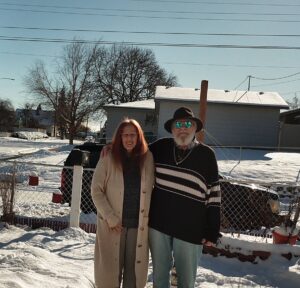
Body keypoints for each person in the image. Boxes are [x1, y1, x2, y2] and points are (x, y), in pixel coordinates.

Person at [148, 106, 221, 288]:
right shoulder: (160, 148)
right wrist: (111, 148)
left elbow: (214, 195)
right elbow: (133, 151)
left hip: (191, 228)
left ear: (195, 127)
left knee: (186, 281)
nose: (183, 128)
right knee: (159, 276)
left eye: (188, 123)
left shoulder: (207, 155)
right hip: (159, 224)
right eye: (178, 124)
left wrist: (212, 229)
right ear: (172, 129)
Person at [91, 118, 155, 288]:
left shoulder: (148, 158)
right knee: (110, 276)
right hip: (113, 226)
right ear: (119, 137)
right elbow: (96, 191)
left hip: (138, 228)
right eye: (125, 135)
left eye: (132, 135)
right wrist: (110, 217)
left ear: (139, 136)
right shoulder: (108, 157)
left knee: (132, 277)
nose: (129, 139)